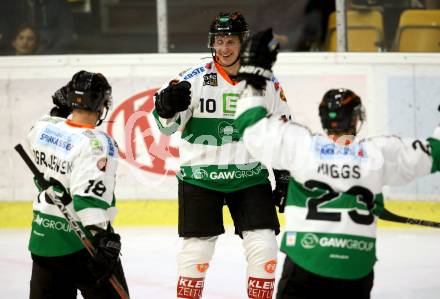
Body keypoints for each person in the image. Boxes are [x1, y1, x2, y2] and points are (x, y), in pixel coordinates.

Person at [234, 29, 440, 299]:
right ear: (356, 119)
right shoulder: (379, 153)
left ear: (323, 119)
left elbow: (249, 124)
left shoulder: (302, 146)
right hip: (354, 268)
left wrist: (254, 78)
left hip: (307, 261)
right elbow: (435, 153)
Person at [152, 12, 289, 299]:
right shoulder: (194, 77)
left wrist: (283, 174)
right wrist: (165, 109)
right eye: (219, 41)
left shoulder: (264, 81)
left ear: (243, 43)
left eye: (231, 41)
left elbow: (280, 129)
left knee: (264, 246)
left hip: (249, 177)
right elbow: (168, 128)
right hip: (200, 178)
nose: (224, 48)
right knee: (195, 253)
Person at [25, 70, 129, 298]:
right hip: (81, 245)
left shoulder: (43, 127)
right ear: (103, 105)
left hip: (43, 240)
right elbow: (88, 200)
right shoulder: (98, 144)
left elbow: (50, 126)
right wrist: (103, 240)